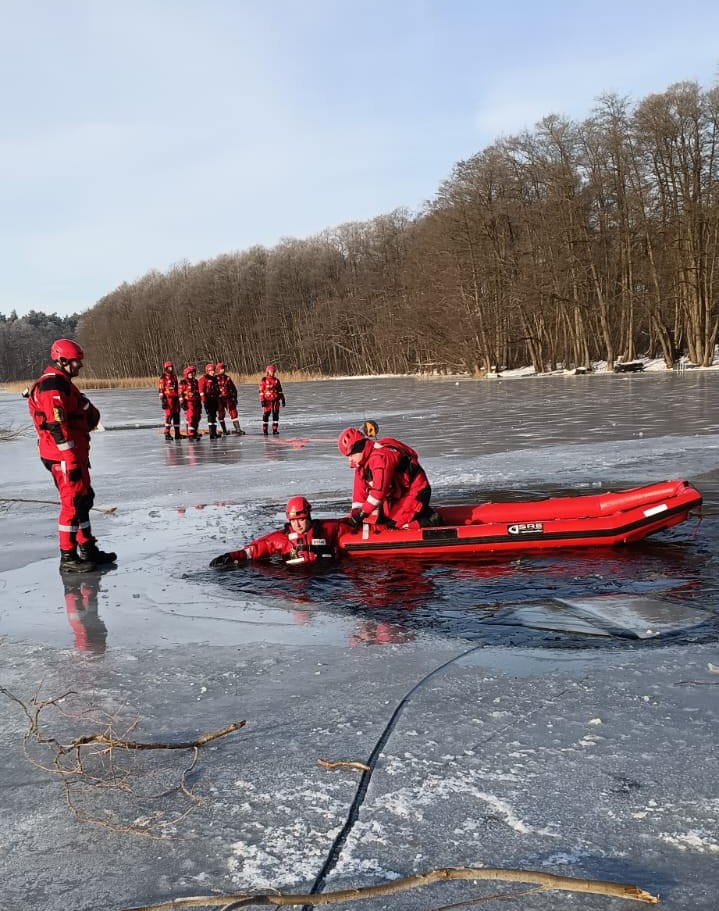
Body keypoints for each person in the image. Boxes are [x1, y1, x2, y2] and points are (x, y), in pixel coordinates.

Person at [27, 338, 117, 573]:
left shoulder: (64, 383)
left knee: (83, 500)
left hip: (74, 453)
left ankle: (87, 548)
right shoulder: (51, 387)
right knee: (72, 503)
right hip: (63, 456)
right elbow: (57, 426)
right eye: (77, 361)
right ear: (63, 360)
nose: (80, 365)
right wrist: (71, 459)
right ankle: (68, 556)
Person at [337, 427, 440, 530]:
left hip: (416, 491)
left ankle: (432, 521)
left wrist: (362, 513)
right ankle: (420, 513)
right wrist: (355, 515)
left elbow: (379, 492)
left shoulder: (381, 458)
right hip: (398, 494)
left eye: (351, 455)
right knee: (384, 519)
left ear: (359, 448)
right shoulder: (360, 466)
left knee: (394, 525)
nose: (350, 460)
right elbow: (359, 495)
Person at [209, 496, 345, 567]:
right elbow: (254, 550)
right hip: (296, 578)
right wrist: (231, 556)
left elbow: (347, 526)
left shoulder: (328, 528)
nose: (297, 525)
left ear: (309, 516)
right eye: (293, 521)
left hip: (326, 577)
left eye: (301, 519)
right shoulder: (281, 539)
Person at [216, 362, 245, 435]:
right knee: (221, 414)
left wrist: (235, 398)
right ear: (218, 369)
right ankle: (224, 430)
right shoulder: (215, 379)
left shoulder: (228, 378)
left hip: (228, 399)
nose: (223, 370)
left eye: (224, 368)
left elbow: (233, 389)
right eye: (221, 368)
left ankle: (238, 429)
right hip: (219, 399)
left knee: (233, 412)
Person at [158, 360, 181, 441]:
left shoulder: (174, 376)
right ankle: (167, 433)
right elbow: (161, 389)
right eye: (169, 367)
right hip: (168, 398)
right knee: (169, 415)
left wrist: (179, 397)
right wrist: (163, 400)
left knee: (176, 415)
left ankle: (177, 433)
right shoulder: (163, 377)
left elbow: (177, 387)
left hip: (175, 398)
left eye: (171, 367)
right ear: (166, 368)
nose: (171, 369)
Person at [258, 365, 286, 435]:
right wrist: (262, 400)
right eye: (271, 372)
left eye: (274, 372)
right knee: (266, 415)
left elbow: (280, 391)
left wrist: (283, 399)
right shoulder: (264, 380)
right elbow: (261, 391)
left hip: (275, 400)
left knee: (275, 415)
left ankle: (275, 429)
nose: (273, 373)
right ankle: (265, 430)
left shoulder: (276, 380)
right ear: (268, 372)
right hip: (267, 401)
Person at [179, 365, 202, 440]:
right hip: (188, 402)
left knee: (197, 417)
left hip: (196, 401)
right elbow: (180, 393)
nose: (191, 375)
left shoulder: (195, 382)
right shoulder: (183, 382)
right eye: (189, 374)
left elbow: (198, 392)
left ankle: (195, 432)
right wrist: (182, 403)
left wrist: (199, 402)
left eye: (192, 373)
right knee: (191, 417)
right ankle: (191, 434)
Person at [198, 362, 220, 439]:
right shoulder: (203, 379)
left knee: (214, 416)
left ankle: (214, 432)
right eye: (211, 371)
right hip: (208, 400)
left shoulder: (215, 379)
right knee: (210, 416)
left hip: (214, 399)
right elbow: (201, 392)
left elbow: (217, 390)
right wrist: (204, 401)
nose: (213, 372)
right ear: (208, 371)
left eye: (213, 370)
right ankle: (212, 433)